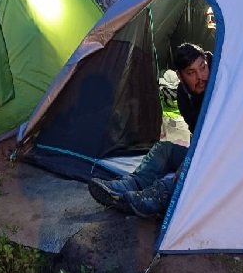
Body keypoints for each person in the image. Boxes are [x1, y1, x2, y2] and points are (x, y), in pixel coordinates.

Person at [88, 43, 211, 219]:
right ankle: (129, 185)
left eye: (203, 68)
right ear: (180, 76)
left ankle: (157, 196)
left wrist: (190, 162)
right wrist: (190, 157)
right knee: (164, 148)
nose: (201, 77)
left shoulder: (220, 82)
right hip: (202, 152)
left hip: (221, 157)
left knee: (187, 169)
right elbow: (197, 133)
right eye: (191, 73)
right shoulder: (184, 97)